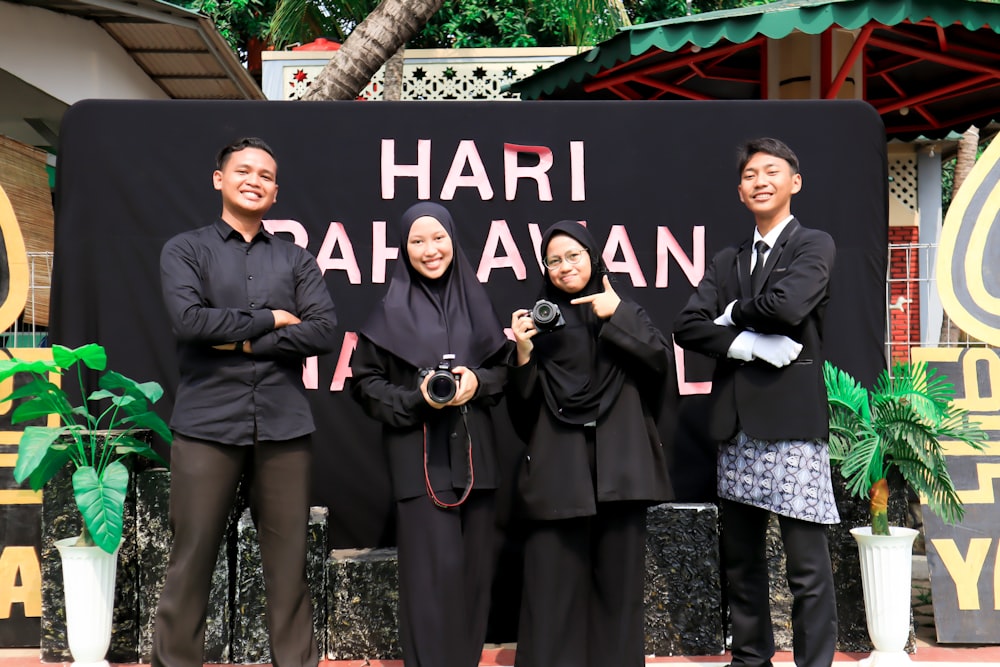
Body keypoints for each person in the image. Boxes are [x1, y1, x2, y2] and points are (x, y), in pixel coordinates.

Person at [155, 137, 337, 667]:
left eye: (266, 175)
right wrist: (274, 318)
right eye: (244, 171)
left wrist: (236, 338)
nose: (254, 180)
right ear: (219, 179)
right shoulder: (186, 249)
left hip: (284, 428)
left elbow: (323, 331)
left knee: (288, 570)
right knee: (190, 563)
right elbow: (190, 323)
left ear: (276, 192)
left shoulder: (296, 259)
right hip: (205, 425)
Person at [673, 137, 839, 667]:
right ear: (740, 190)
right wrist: (745, 342)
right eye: (749, 174)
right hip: (735, 428)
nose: (759, 180)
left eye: (771, 171)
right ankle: (750, 660)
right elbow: (686, 326)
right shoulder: (728, 259)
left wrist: (731, 314)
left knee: (806, 569)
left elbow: (788, 307)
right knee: (741, 563)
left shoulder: (814, 244)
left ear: (794, 182)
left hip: (791, 425)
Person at [507, 220, 674, 667]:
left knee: (619, 590)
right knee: (550, 587)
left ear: (594, 256)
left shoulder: (624, 309)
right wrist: (522, 355)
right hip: (558, 472)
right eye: (554, 260)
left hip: (620, 469)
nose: (565, 267)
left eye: (574, 256)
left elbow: (660, 365)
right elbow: (522, 415)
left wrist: (616, 315)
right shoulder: (539, 324)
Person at [350, 202, 510, 667]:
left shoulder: (478, 304)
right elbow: (364, 386)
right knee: (429, 584)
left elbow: (505, 372)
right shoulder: (387, 311)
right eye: (417, 241)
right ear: (403, 248)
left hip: (477, 462)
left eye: (438, 238)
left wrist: (479, 382)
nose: (430, 249)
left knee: (475, 582)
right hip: (419, 463)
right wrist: (417, 398)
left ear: (453, 241)